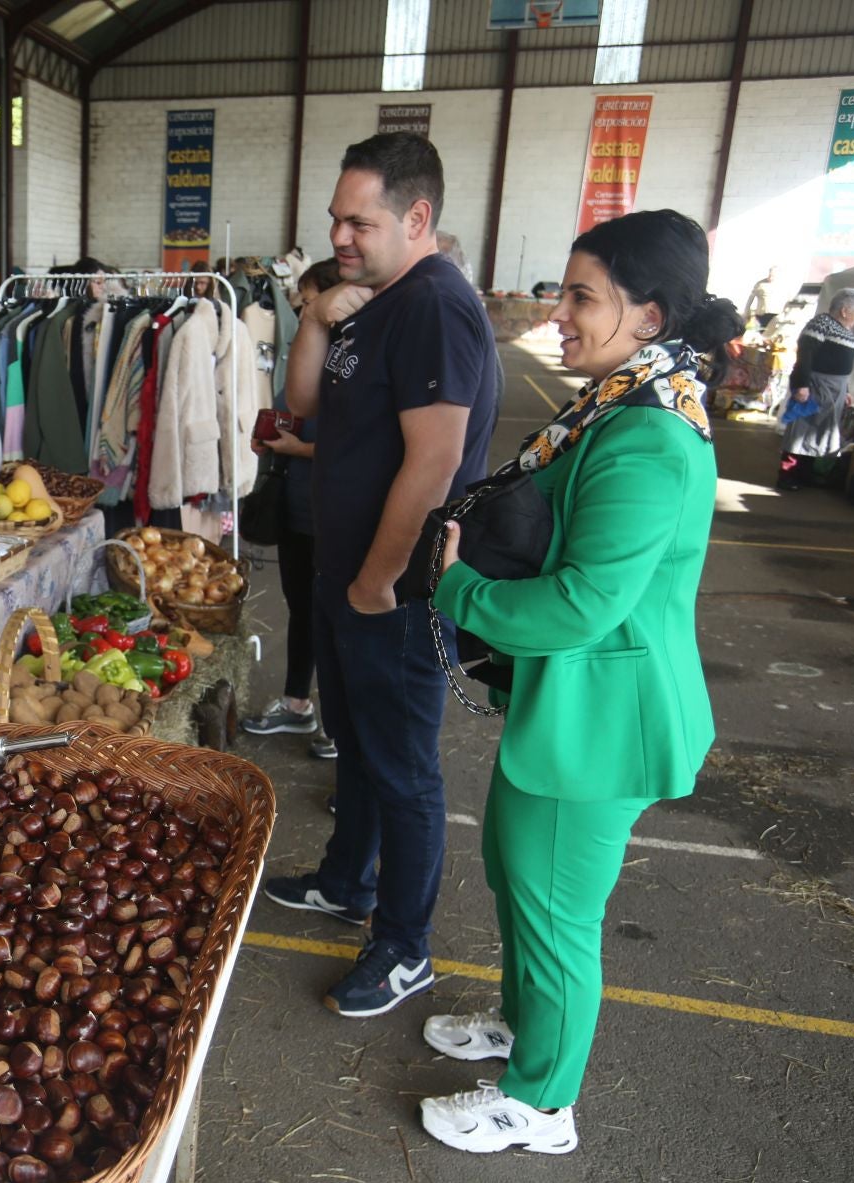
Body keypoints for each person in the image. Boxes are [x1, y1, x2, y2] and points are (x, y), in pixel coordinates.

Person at [418, 210, 740, 1154]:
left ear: (649, 313)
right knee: (519, 875)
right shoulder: (622, 399)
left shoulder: (648, 434)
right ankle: (527, 1034)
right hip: (570, 707)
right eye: (564, 292)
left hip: (606, 717)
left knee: (558, 910)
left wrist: (457, 588)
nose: (558, 312)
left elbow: (583, 605)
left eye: (581, 297)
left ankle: (541, 1103)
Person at [262, 132, 499, 1018]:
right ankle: (345, 881)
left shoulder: (436, 306)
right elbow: (310, 405)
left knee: (402, 767)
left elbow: (434, 464)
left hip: (389, 589)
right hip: (345, 573)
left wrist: (381, 579)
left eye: (358, 220)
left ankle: (405, 946)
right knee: (357, 743)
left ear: (418, 215)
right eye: (334, 219)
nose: (341, 235)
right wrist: (317, 319)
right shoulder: (370, 302)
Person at [242, 257, 345, 760]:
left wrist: (294, 449)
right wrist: (272, 437)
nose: (300, 311)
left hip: (330, 509)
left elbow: (359, 447)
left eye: (307, 303)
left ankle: (338, 723)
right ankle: (297, 703)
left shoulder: (354, 361)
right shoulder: (314, 351)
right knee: (303, 609)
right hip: (298, 505)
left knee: (333, 616)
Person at [779, 287, 854, 490]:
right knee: (800, 431)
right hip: (815, 385)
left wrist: (846, 390)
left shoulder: (845, 330)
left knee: (818, 433)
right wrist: (801, 385)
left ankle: (805, 474)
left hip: (836, 388)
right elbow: (805, 356)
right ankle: (787, 475)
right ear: (845, 310)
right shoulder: (821, 324)